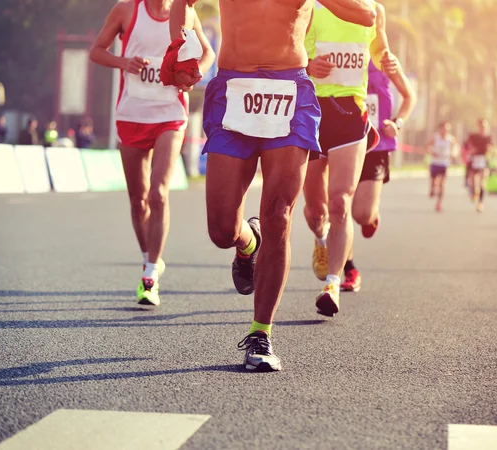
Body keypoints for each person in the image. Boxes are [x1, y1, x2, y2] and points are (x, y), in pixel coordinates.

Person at [165, 0, 377, 371]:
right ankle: (249, 241)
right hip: (234, 86)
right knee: (220, 230)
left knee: (279, 215)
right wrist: (180, 45)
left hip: (290, 90)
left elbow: (366, 14)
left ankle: (261, 333)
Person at [90, 0, 215, 306]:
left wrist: (193, 72)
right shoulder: (126, 10)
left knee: (159, 193)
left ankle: (149, 275)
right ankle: (151, 257)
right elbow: (97, 51)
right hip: (132, 114)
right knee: (139, 199)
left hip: (170, 113)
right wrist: (124, 62)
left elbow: (209, 52)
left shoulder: (185, 11)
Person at [303, 2, 396, 314]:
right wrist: (309, 65)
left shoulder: (372, 9)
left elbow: (379, 51)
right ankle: (321, 238)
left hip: (350, 115)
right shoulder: (310, 6)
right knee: (316, 211)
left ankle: (332, 283)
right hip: (313, 113)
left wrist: (389, 62)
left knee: (341, 201)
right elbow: (290, 53)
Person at [341, 35, 416, 293]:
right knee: (341, 207)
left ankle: (371, 216)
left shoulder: (384, 59)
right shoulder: (337, 52)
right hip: (343, 140)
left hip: (377, 145)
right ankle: (348, 268)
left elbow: (409, 97)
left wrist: (397, 123)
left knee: (361, 214)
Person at [426, 121, 458, 212]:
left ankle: (439, 203)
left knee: (442, 184)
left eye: (447, 129)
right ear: (440, 129)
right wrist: (432, 152)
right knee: (433, 181)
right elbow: (427, 146)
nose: (445, 131)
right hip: (435, 163)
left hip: (444, 163)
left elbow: (455, 148)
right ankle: (432, 188)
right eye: (444, 128)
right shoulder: (435, 137)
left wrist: (453, 153)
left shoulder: (451, 139)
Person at [466, 118, 494, 213]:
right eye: (481, 126)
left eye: (485, 126)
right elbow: (467, 146)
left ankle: (480, 204)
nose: (483, 128)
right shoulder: (473, 136)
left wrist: (490, 150)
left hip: (484, 161)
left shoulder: (489, 137)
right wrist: (471, 150)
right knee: (473, 183)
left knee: (482, 183)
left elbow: (492, 148)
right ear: (478, 126)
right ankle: (474, 193)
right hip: (474, 161)